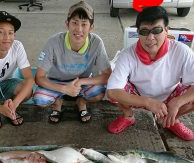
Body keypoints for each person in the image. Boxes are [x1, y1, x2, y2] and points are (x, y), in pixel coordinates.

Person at [107, 6, 194, 141]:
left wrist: (177, 102)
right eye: (144, 31)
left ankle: (171, 120)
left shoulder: (182, 51)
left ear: (166, 30)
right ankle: (128, 116)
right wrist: (147, 102)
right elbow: (112, 92)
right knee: (114, 89)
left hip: (170, 96)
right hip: (140, 96)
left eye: (156, 30)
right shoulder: (127, 55)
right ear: (138, 32)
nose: (150, 37)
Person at [33, 1, 111, 124]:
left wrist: (81, 81)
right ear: (67, 24)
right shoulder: (53, 42)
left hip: (81, 82)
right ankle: (58, 103)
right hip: (57, 82)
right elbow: (39, 77)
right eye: (74, 23)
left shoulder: (96, 43)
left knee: (99, 93)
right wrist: (63, 89)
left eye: (84, 24)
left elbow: (107, 75)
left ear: (91, 27)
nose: (79, 29)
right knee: (40, 100)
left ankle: (81, 101)